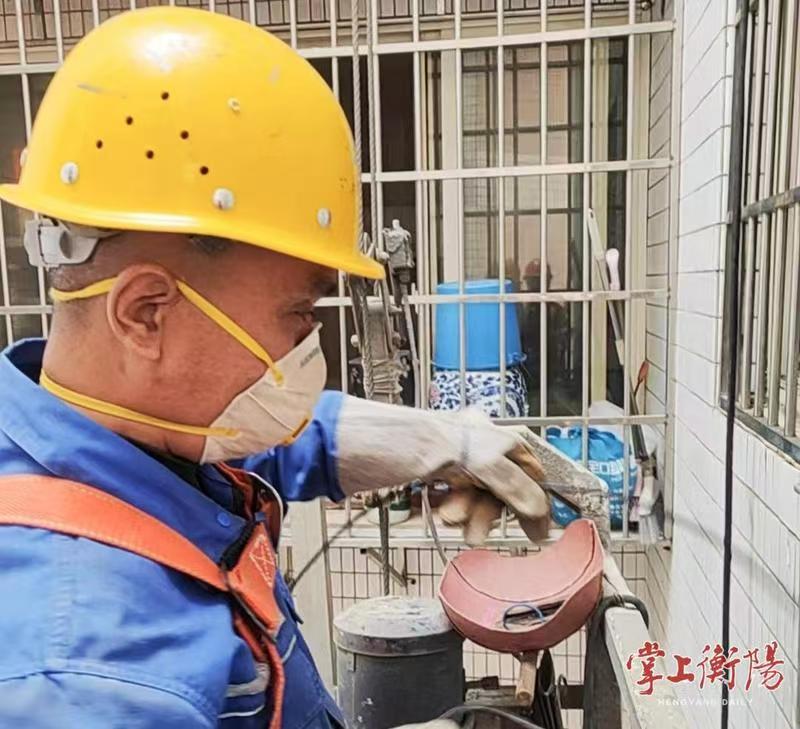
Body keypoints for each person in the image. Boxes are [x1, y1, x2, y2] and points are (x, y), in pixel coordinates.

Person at [0, 7, 549, 728]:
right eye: (298, 311)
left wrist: (438, 440)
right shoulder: (90, 681)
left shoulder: (112, 427)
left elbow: (266, 440)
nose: (307, 344)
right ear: (146, 314)